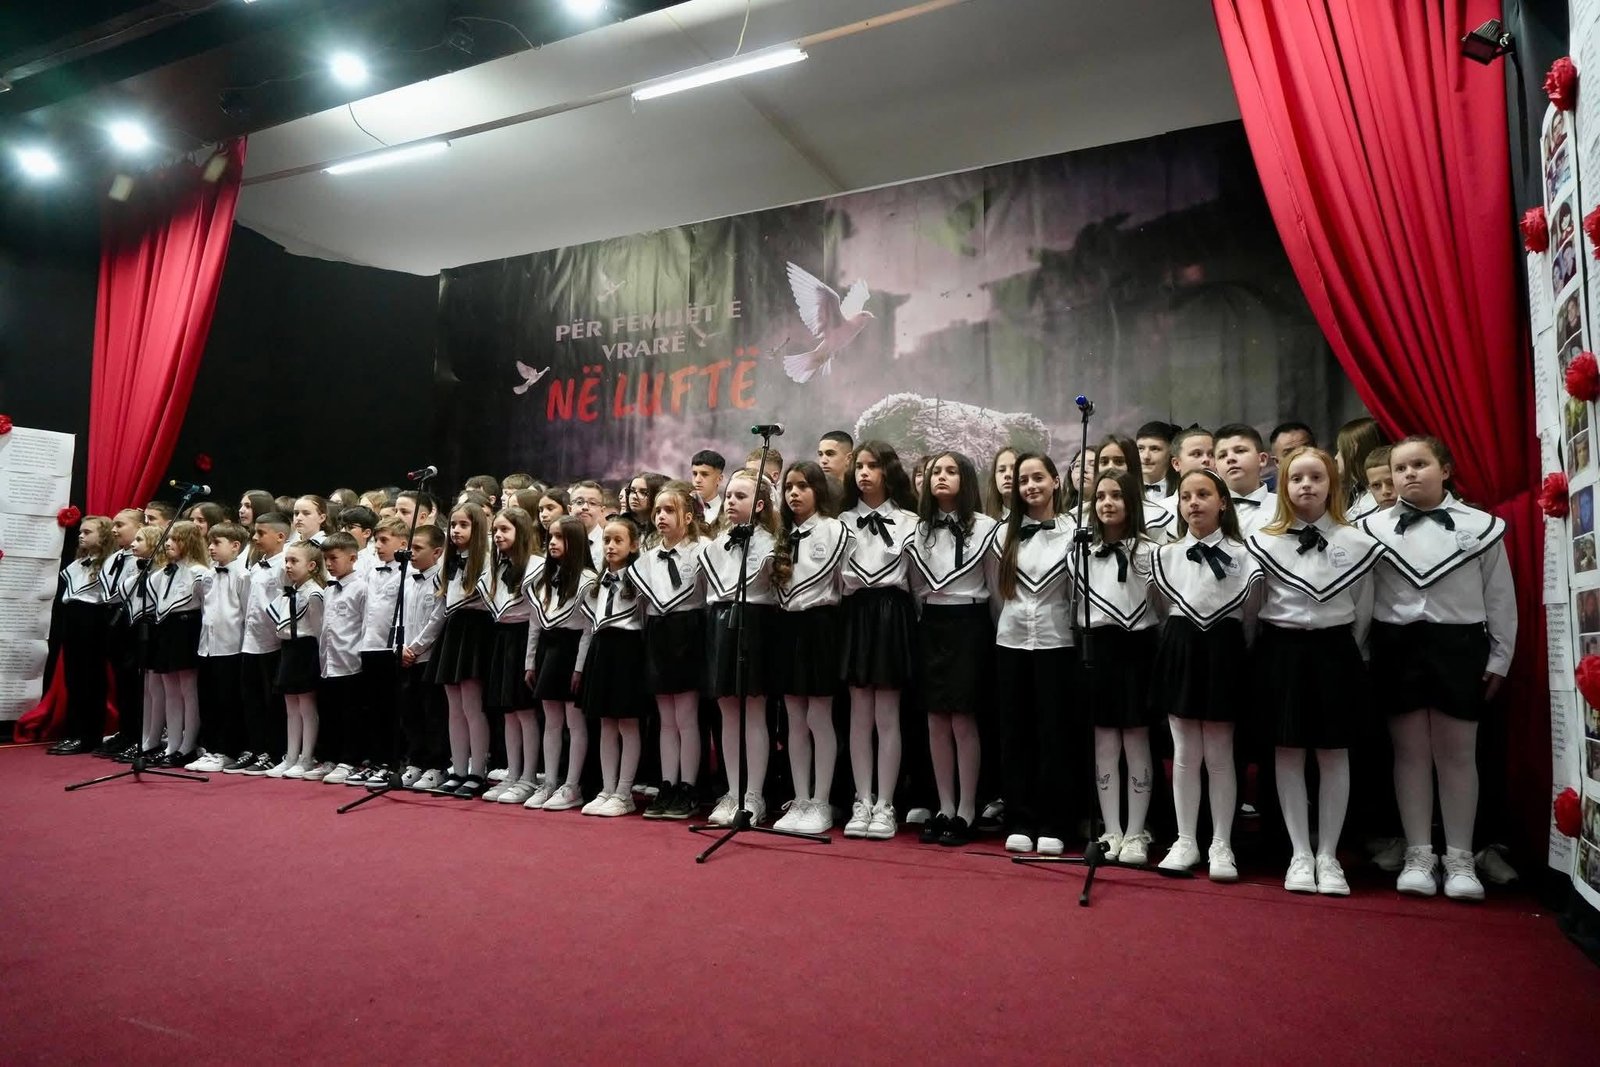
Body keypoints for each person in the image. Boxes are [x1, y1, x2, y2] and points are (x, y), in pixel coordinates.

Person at [1363, 436, 1516, 901]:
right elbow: (1363, 598)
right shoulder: (1370, 528)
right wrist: (1362, 651)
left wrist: (1501, 656)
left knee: (1458, 755)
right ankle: (1418, 853)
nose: (1409, 474)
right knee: (1409, 753)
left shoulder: (1481, 527)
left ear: (1445, 470)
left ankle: (1461, 857)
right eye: (1400, 468)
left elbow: (1500, 596)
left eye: (1420, 464)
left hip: (1459, 646)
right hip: (1396, 646)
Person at [1247, 447, 1384, 895]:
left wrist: (1347, 652)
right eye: (1296, 478)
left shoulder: (1356, 542)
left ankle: (1329, 854)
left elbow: (1363, 609)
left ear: (1331, 484)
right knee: (1287, 752)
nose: (1306, 485)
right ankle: (1300, 853)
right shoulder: (1263, 542)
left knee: (1333, 753)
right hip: (1281, 651)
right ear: (1283, 486)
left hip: (1335, 652)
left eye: (1316, 477)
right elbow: (1254, 607)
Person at [1150, 468, 1263, 881]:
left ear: (1223, 502)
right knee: (1184, 752)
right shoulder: (1164, 555)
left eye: (1203, 494)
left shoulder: (1245, 556)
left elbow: (1251, 618)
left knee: (1219, 752)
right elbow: (1161, 610)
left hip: (1224, 650)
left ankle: (1221, 843)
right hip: (1181, 646)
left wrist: (1231, 648)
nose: (1194, 503)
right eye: (1186, 496)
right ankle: (1185, 840)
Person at [908, 451, 999, 847]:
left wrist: (993, 633)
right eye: (935, 472)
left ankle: (967, 808)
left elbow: (995, 586)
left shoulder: (987, 528)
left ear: (967, 479)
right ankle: (944, 805)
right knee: (935, 720)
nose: (941, 477)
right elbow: (915, 586)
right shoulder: (919, 530)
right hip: (933, 624)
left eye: (950, 471)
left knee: (963, 719)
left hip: (971, 623)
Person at [1073, 469, 1162, 865]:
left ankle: (1136, 831)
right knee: (1105, 741)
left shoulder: (1151, 552)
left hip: (1138, 648)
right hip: (1099, 648)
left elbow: (1162, 606)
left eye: (1117, 496)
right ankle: (1110, 829)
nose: (1107, 503)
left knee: (1137, 738)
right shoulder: (1081, 552)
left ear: (1132, 502)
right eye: (1101, 496)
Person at [991, 453, 1074, 857]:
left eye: (1038, 477)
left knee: (1054, 735)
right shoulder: (1002, 535)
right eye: (1023, 480)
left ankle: (1054, 821)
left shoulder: (1075, 533)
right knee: (1015, 733)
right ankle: (1020, 818)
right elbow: (995, 593)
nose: (1030, 486)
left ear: (1056, 481)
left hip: (1057, 643)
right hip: (1011, 641)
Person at [839, 441, 920, 840]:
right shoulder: (840, 522)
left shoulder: (909, 521)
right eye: (859, 466)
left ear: (889, 471)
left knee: (887, 713)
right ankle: (862, 799)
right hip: (856, 612)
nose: (864, 473)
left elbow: (918, 583)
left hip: (892, 612)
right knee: (858, 713)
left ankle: (886, 803)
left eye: (872, 465)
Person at [772, 461, 849, 834]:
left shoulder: (834, 529)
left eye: (802, 486)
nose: (794, 493)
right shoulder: (782, 536)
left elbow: (844, 583)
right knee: (794, 718)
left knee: (820, 716)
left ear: (818, 490)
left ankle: (822, 800)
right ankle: (800, 798)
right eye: (789, 487)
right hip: (787, 626)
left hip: (821, 625)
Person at [702, 468, 782, 826]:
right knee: (728, 713)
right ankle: (733, 791)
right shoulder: (716, 543)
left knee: (754, 710)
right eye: (729, 496)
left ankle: (754, 795)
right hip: (721, 622)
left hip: (756, 622)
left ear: (760, 505)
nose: (731, 501)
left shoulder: (771, 543)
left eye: (740, 496)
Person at [632, 481, 708, 820]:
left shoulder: (703, 550)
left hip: (689, 630)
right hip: (659, 633)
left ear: (688, 517)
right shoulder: (648, 559)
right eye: (658, 511)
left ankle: (688, 787)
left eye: (669, 510)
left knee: (687, 717)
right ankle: (667, 783)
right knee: (666, 718)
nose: (661, 516)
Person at [580, 517, 654, 817]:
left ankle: (624, 792)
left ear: (634, 545)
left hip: (629, 651)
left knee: (628, 723)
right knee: (606, 723)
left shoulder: (639, 582)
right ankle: (607, 788)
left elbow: (647, 620)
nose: (610, 546)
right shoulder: (597, 583)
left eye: (618, 540)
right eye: (606, 540)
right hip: (602, 649)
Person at [523, 515, 596, 812]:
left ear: (575, 542)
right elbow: (535, 621)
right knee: (551, 721)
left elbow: (589, 628)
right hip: (548, 648)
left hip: (572, 649)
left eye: (560, 537)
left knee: (574, 722)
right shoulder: (544, 578)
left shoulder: (588, 580)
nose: (552, 542)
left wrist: (579, 667)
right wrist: (530, 660)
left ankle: (573, 784)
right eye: (550, 537)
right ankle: (550, 781)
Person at [426, 504, 494, 798]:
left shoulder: (488, 560)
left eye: (463, 525)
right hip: (453, 631)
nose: (455, 530)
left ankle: (477, 772)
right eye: (453, 525)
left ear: (477, 529)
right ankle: (459, 770)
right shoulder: (449, 562)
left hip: (476, 631)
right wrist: (419, 644)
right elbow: (441, 607)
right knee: (454, 708)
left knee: (472, 707)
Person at [479, 507, 543, 805]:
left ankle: (529, 776)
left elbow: (538, 614)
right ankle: (513, 773)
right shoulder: (497, 567)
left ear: (522, 532)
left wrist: (531, 658)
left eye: (505, 530)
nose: (498, 535)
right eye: (495, 530)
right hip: (502, 638)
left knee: (525, 711)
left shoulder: (536, 566)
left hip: (524, 637)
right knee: (508, 711)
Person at [226, 513, 290, 775]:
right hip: (251, 643)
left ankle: (274, 752)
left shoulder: (284, 566)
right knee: (250, 700)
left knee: (272, 703)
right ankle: (256, 748)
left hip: (273, 644)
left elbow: (284, 603)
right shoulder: (257, 565)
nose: (254, 538)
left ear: (280, 536)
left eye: (261, 533)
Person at [46, 516, 113, 755]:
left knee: (90, 677)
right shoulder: (78, 564)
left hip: (92, 619)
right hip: (73, 618)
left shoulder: (109, 564)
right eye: (81, 532)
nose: (81, 536)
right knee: (73, 677)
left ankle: (88, 735)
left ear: (103, 536)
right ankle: (74, 731)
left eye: (88, 532)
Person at [348, 515, 407, 786]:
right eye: (376, 541)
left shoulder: (406, 572)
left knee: (391, 709)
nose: (378, 546)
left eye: (384, 540)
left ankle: (392, 762)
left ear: (403, 543)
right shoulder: (372, 571)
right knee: (371, 707)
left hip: (390, 648)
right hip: (369, 644)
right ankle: (374, 760)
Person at [188, 522, 249, 771]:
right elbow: (206, 610)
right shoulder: (208, 575)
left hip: (231, 647)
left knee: (228, 702)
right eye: (210, 543)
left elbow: (247, 612)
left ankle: (227, 751)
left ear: (235, 546)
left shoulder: (243, 576)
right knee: (208, 699)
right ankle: (210, 748)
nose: (211, 548)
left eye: (217, 543)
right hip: (207, 647)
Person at [149, 520, 210, 766]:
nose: (168, 544)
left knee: (188, 689)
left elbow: (206, 607)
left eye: (175, 539)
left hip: (187, 627)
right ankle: (172, 744)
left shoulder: (200, 573)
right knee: (170, 689)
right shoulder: (163, 573)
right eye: (167, 539)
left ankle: (188, 745)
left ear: (189, 541)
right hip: (166, 627)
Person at [266, 540, 327, 778]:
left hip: (307, 650)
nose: (288, 566)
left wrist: (321, 660)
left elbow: (320, 631)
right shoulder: (289, 591)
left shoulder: (314, 593)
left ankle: (307, 757)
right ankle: (291, 756)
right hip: (289, 649)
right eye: (286, 561)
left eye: (294, 561)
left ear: (311, 565)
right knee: (291, 706)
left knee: (306, 706)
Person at [397, 525, 447, 791]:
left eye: (418, 548)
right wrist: (401, 647)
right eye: (410, 547)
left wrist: (415, 648)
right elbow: (400, 615)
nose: (411, 553)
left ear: (437, 552)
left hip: (429, 657)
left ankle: (436, 766)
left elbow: (437, 618)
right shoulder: (407, 580)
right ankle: (415, 761)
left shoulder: (441, 579)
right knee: (410, 712)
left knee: (433, 713)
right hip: (407, 656)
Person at [94, 508, 147, 757]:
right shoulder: (114, 558)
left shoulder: (142, 560)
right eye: (113, 525)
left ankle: (137, 734)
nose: (114, 530)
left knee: (133, 681)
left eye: (120, 525)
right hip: (113, 619)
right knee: (121, 680)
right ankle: (125, 731)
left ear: (139, 528)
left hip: (133, 620)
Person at [316, 532, 368, 784]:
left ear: (352, 558)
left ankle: (349, 760)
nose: (328, 563)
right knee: (330, 713)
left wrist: (358, 653)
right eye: (325, 558)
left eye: (334, 558)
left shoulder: (361, 588)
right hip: (329, 662)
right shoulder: (329, 589)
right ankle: (331, 757)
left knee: (351, 715)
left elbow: (365, 625)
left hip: (351, 661)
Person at [1214, 423, 1273, 535]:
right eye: (1222, 455)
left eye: (1240, 451)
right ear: (1216, 468)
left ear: (1262, 459)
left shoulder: (1287, 509)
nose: (1230, 458)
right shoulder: (1207, 512)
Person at [1334, 416, 1389, 513]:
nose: (1336, 457)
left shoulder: (1383, 500)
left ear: (1353, 450)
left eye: (1340, 450)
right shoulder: (1357, 494)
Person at [568, 480, 607, 568]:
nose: (585, 507)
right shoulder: (561, 541)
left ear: (602, 511)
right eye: (579, 502)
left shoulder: (607, 544)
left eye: (592, 503)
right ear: (570, 509)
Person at [1350, 445, 1397, 519]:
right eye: (1376, 485)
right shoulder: (1362, 523)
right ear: (1370, 488)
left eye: (1391, 483)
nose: (1385, 491)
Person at [1136, 421, 1178, 502]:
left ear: (1171, 452)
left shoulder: (1181, 489)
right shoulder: (1126, 488)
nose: (1146, 456)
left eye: (1154, 449)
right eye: (1140, 448)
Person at [690, 449, 726, 528]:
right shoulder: (681, 506)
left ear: (719, 479)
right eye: (695, 474)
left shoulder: (726, 513)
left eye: (704, 474)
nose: (697, 480)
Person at [983, 446, 1018, 520]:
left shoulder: (1036, 521)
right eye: (1002, 470)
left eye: (1014, 469)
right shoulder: (987, 523)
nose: (1007, 474)